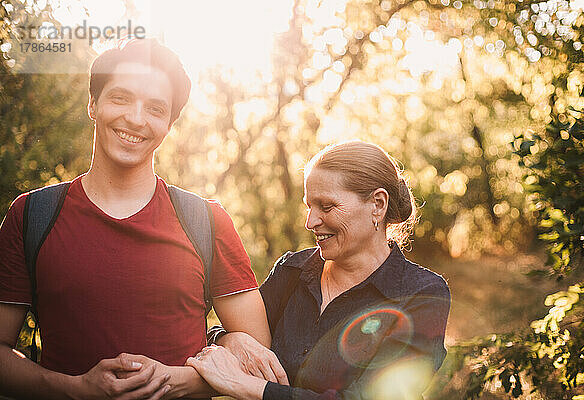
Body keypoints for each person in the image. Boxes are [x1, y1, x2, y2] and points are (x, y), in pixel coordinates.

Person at [0, 38, 270, 400]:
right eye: (121, 98)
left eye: (156, 109)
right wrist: (76, 388)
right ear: (93, 104)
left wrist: (175, 381)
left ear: (170, 124)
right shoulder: (31, 215)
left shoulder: (206, 220)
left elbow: (258, 355)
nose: (136, 119)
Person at [186, 140, 451, 400]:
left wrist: (248, 387)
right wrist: (229, 340)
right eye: (308, 206)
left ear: (378, 204)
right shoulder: (291, 271)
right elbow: (223, 336)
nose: (310, 222)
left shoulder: (422, 294)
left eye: (327, 206)